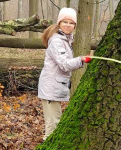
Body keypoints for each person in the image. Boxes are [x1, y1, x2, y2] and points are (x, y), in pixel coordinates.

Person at [38, 7, 92, 141]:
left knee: (55, 122)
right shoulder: (56, 41)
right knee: (53, 125)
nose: (68, 25)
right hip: (51, 87)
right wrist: (81, 60)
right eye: (65, 22)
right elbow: (64, 64)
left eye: (71, 23)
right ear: (59, 24)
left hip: (56, 86)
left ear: (75, 25)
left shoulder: (65, 40)